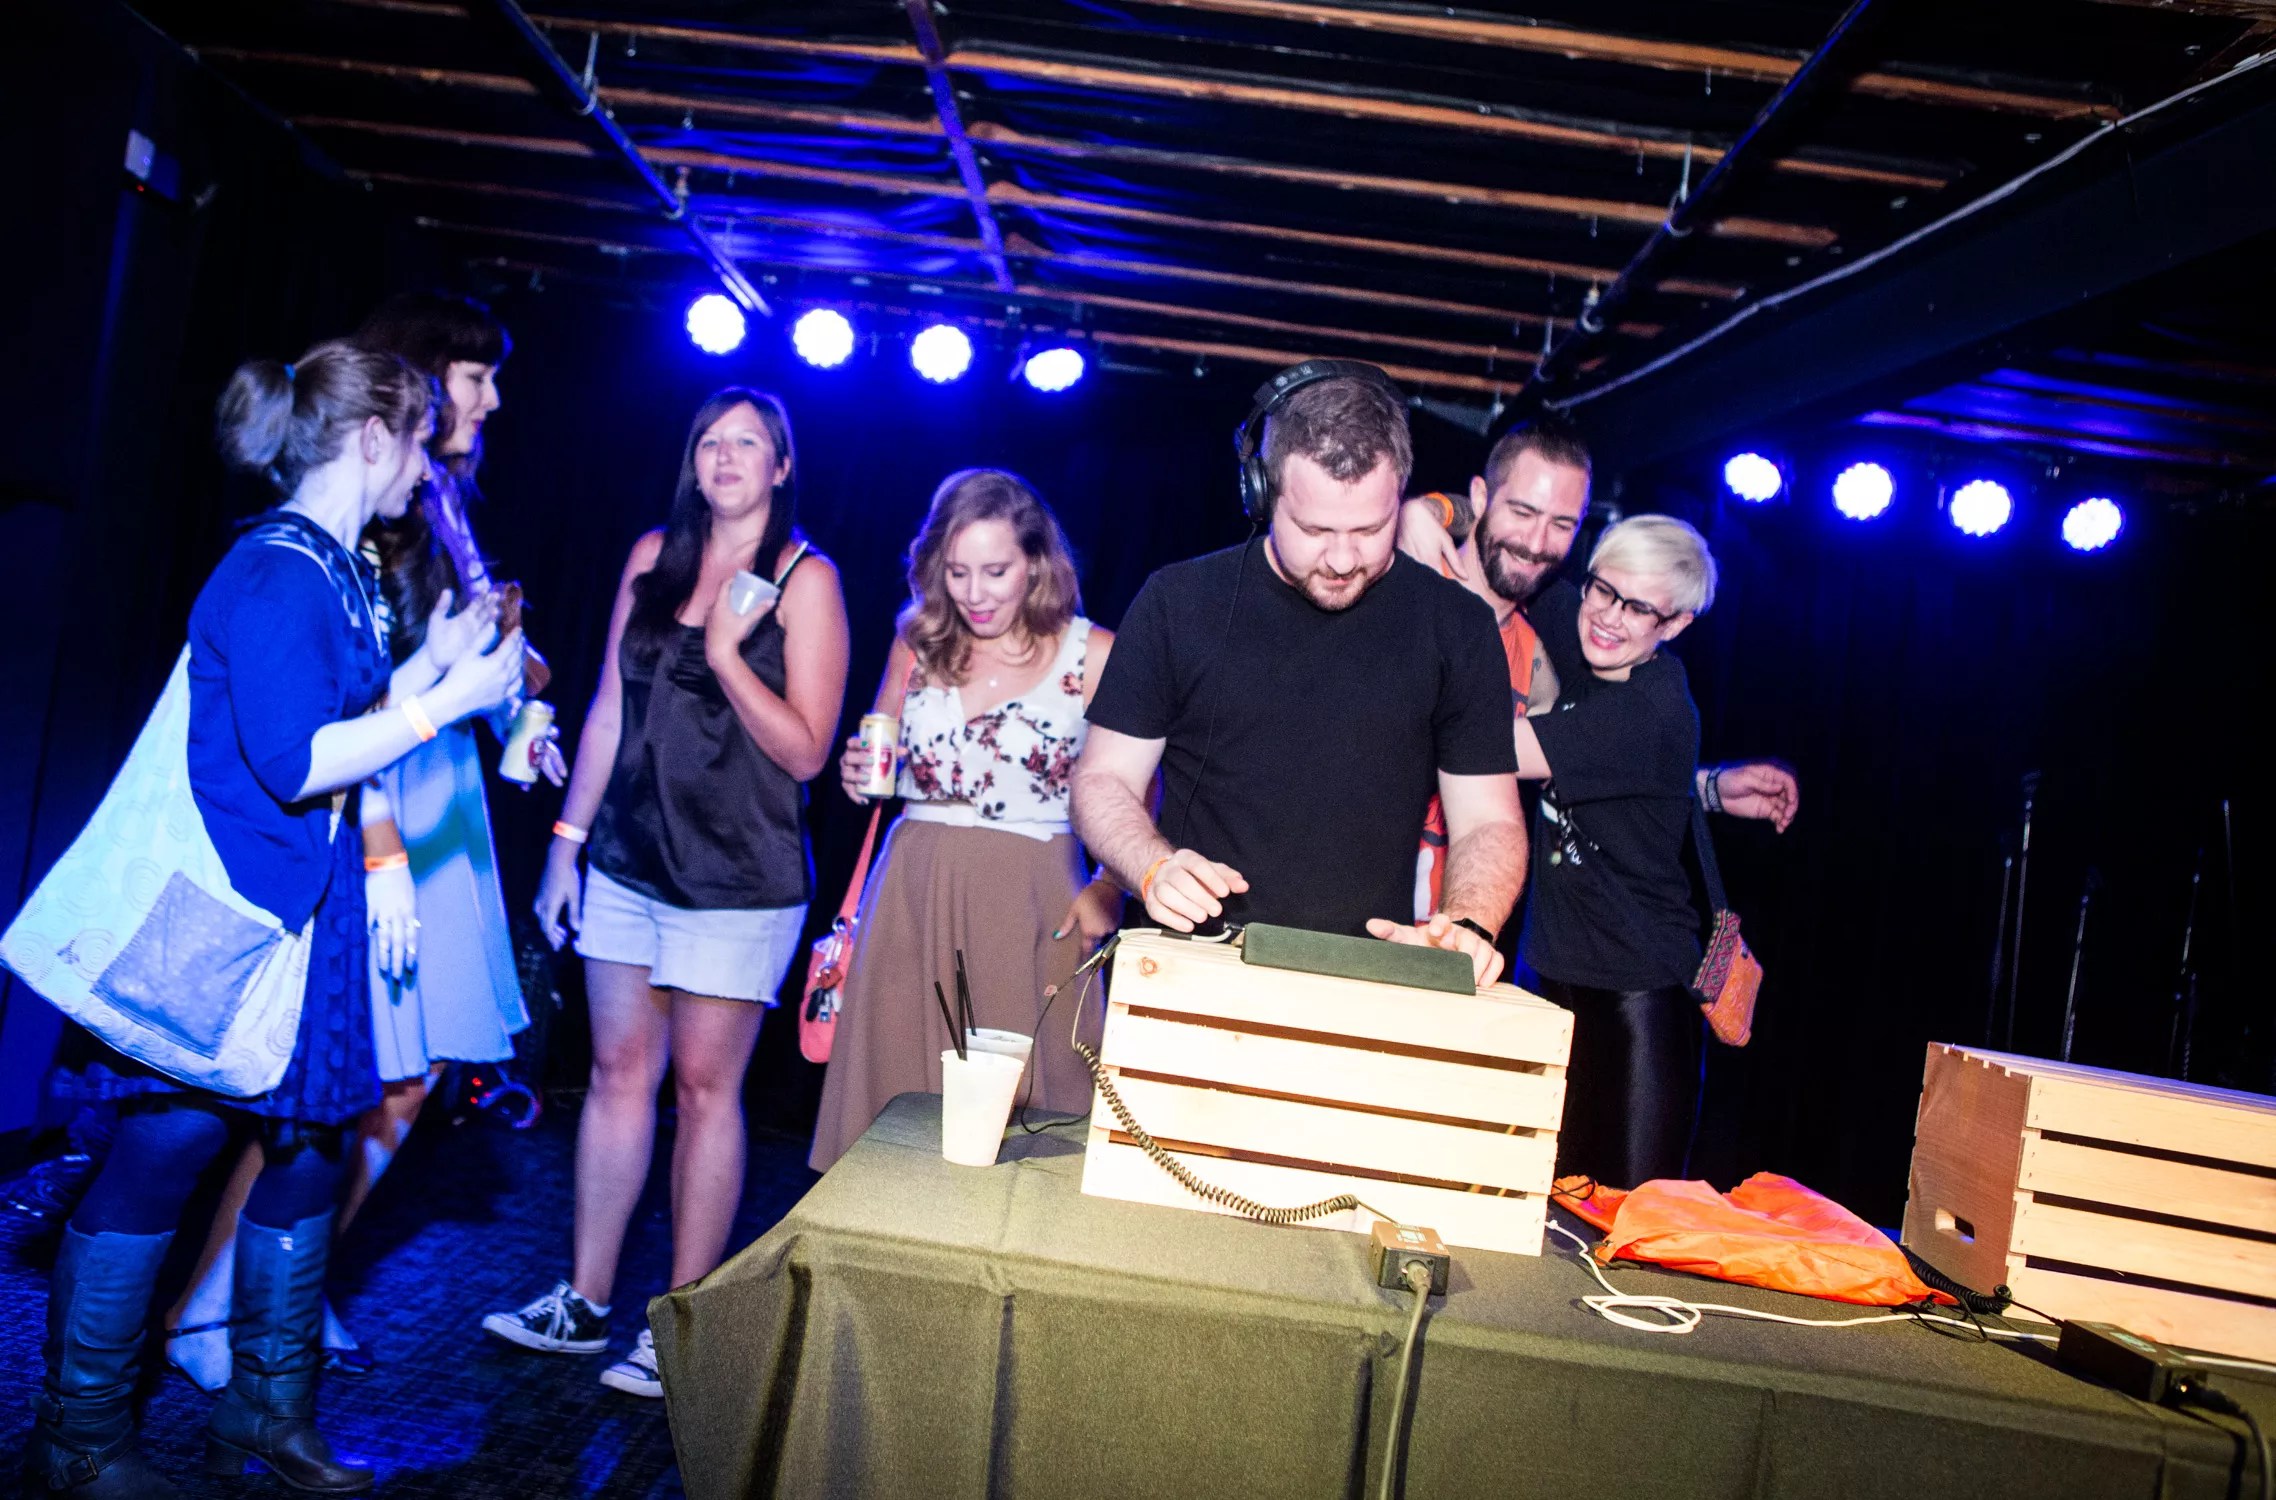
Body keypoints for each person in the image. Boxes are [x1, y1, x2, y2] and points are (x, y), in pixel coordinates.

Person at [23, 342, 524, 1497]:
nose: (429, 467)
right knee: (169, 1144)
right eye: (417, 440)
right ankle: (78, 1438)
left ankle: (263, 1413)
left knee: (309, 1149)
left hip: (310, 908)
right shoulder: (276, 570)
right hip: (238, 911)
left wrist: (423, 672)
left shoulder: (335, 568)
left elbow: (337, 719)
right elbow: (294, 763)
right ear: (372, 437)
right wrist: (444, 703)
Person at [163, 292, 553, 1391]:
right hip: (380, 802)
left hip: (421, 792)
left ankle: (284, 1290)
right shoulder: (350, 531)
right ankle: (215, 1306)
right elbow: (333, 723)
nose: (489, 399)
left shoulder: (438, 503)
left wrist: (502, 692)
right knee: (326, 1080)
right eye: (473, 378)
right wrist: (385, 837)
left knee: (397, 1079)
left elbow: (423, 668)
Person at [493, 387, 849, 1400]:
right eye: (709, 442)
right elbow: (611, 705)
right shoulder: (655, 555)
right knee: (616, 1074)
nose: (724, 458)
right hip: (628, 859)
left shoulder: (806, 578)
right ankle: (584, 1299)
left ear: (781, 466)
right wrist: (566, 845)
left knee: (702, 1091)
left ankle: (678, 1328)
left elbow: (807, 751)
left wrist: (730, 653)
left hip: (737, 878)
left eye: (747, 443)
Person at [1072, 362, 1525, 985]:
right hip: (1190, 966)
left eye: (1369, 529)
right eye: (1315, 529)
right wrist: (1152, 866)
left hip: (1368, 978)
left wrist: (1469, 924)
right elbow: (1103, 779)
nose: (1342, 558)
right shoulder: (1177, 603)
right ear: (1261, 496)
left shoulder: (1458, 626)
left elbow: (1490, 820)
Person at [809, 470, 1122, 1171]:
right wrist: (860, 772)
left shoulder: (1092, 652)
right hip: (913, 887)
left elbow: (1138, 784)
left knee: (1026, 1121)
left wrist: (1110, 882)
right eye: (957, 572)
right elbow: (881, 752)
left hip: (1032, 892)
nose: (975, 593)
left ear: (1035, 563)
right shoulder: (917, 644)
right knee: (895, 1107)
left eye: (995, 571)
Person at [1397, 419, 1798, 839]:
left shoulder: (1552, 649)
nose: (1536, 543)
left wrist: (1701, 787)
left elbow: (1592, 758)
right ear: (1481, 497)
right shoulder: (1408, 581)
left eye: (1561, 524)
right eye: (1522, 512)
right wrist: (1429, 509)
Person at [1509, 515, 1722, 1188]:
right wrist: (1442, 512)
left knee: (1629, 1219)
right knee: (1530, 1205)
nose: (1606, 616)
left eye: (1637, 608)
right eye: (1602, 589)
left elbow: (1491, 752)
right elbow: (1512, 551)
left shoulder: (1652, 711)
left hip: (1637, 1005)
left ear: (1675, 624)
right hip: (1551, 978)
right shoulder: (1585, 626)